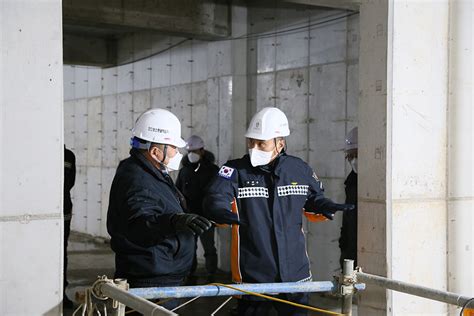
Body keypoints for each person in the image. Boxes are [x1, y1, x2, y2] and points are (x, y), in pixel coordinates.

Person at [203, 107, 355, 316]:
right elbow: (216, 197)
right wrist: (218, 211)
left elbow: (312, 200)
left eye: (261, 143)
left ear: (280, 143)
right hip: (254, 278)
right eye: (251, 141)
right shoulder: (234, 171)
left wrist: (323, 206)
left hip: (295, 275)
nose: (254, 147)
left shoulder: (299, 169)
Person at [106, 109, 212, 310]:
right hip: (151, 281)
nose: (177, 153)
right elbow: (139, 224)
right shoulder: (137, 179)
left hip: (160, 274)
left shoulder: (149, 171)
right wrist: (173, 221)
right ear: (155, 151)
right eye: (173, 147)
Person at [175, 135, 220, 281]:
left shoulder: (213, 170)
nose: (192, 154)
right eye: (189, 151)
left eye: (194, 151)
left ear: (202, 150)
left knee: (209, 247)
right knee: (189, 247)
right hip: (189, 216)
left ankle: (212, 273)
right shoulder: (184, 171)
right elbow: (178, 191)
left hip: (207, 216)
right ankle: (190, 272)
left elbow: (218, 192)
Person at [339, 127, 358, 269]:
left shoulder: (378, 183)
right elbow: (348, 220)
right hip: (350, 252)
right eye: (350, 156)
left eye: (357, 154)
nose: (354, 160)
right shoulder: (351, 181)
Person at [63, 145, 76, 309]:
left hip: (63, 209)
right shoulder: (69, 155)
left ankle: (60, 290)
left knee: (61, 251)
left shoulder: (68, 155)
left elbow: (70, 182)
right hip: (63, 206)